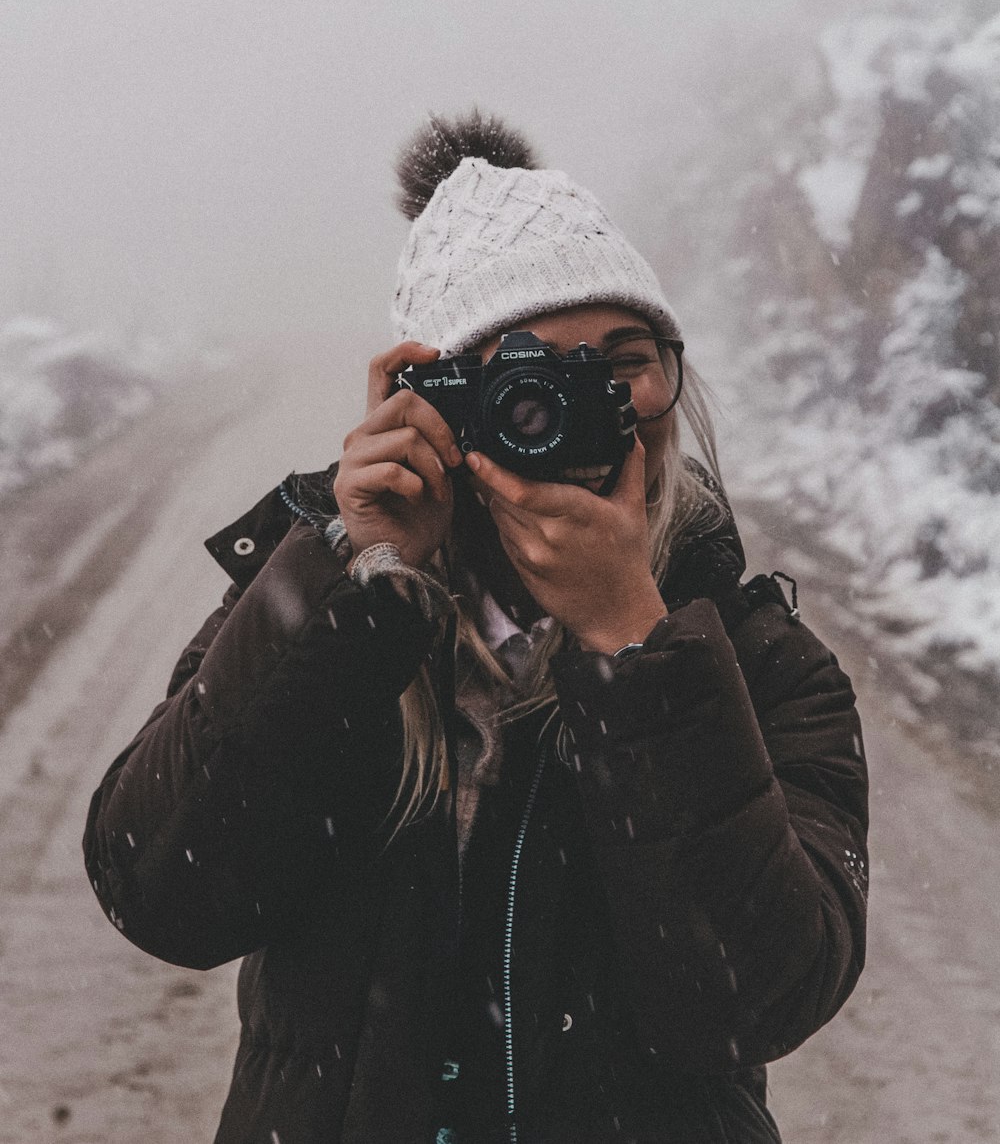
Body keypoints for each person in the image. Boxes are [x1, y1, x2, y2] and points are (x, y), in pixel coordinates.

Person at [84, 113, 869, 1144]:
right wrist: (357, 576)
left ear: (673, 378)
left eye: (623, 359)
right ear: (437, 396)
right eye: (529, 373)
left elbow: (754, 1001)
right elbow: (164, 897)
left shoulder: (760, 661)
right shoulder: (329, 608)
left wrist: (635, 643)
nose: (587, 401)